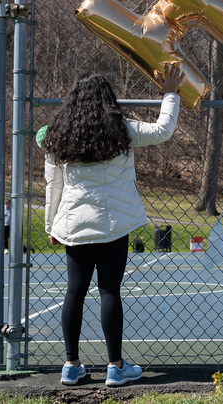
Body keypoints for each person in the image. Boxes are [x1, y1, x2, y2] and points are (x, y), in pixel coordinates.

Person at [43, 64, 184, 387]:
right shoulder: (121, 129)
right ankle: (115, 367)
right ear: (109, 99)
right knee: (109, 290)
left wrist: (51, 224)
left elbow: (54, 184)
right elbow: (163, 130)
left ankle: (70, 365)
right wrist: (170, 93)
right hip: (114, 225)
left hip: (74, 225)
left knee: (74, 292)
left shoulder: (59, 134)